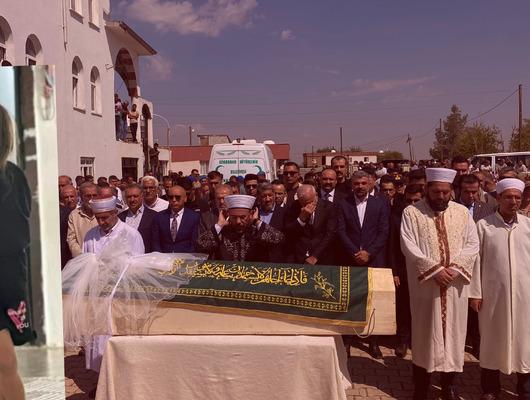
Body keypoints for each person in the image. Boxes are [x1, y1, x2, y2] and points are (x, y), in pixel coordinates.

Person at [400, 168, 479, 400]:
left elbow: (472, 245)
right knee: (426, 336)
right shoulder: (412, 213)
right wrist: (434, 270)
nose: (441, 197)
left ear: (451, 191)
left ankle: (449, 386)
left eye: (445, 192)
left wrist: (453, 270)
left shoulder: (463, 213)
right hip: (426, 288)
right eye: (436, 192)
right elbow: (408, 245)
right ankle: (421, 388)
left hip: (455, 286)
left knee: (454, 336)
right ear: (427, 190)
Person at [469, 178, 530, 399]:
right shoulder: (484, 226)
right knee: (492, 341)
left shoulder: (528, 226)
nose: (513, 201)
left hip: (525, 297)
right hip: (493, 296)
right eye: (508, 197)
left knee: (525, 341)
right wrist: (475, 293)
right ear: (499, 198)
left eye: (517, 197)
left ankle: (524, 388)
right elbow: (476, 262)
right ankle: (490, 389)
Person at [0, 104, 35, 400]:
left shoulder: (12, 176)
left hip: (5, 281)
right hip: (9, 280)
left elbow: (18, 236)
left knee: (5, 364)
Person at [337, 170, 390, 359]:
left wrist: (369, 253)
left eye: (363, 183)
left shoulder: (381, 203)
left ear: (370, 184)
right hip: (350, 260)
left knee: (373, 302)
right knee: (351, 301)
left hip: (373, 260)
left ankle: (373, 342)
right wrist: (355, 253)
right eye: (356, 183)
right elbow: (341, 231)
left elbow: (384, 231)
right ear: (351, 185)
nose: (360, 187)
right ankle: (348, 342)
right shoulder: (343, 203)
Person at [388, 183, 424, 358]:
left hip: (425, 270)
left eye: (416, 200)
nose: (412, 204)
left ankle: (418, 340)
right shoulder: (397, 218)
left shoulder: (429, 217)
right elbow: (392, 247)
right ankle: (402, 340)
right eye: (409, 200)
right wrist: (394, 272)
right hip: (403, 270)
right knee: (403, 306)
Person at [197, 194, 284, 261]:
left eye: (243, 217)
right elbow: (201, 246)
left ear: (251, 214)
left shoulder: (258, 231)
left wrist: (256, 221)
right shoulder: (222, 232)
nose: (238, 221)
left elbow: (278, 239)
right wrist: (219, 225)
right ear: (228, 215)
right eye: (234, 217)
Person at [284, 184, 337, 265]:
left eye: (310, 202)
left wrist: (315, 256)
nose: (307, 206)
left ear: (316, 195)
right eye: (303, 204)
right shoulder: (294, 206)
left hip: (321, 257)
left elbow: (330, 234)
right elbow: (289, 232)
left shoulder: (328, 207)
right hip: (299, 256)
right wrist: (301, 219)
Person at [152, 185, 199, 253]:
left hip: (185, 259)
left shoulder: (194, 217)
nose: (174, 200)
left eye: (177, 197)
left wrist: (188, 259)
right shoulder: (159, 217)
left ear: (185, 198)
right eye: (171, 197)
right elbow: (155, 241)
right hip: (164, 259)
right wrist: (160, 257)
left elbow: (194, 243)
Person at [118, 183, 157, 253]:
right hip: (124, 259)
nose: (132, 199)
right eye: (129, 197)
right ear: (125, 199)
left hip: (145, 259)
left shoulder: (154, 216)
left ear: (142, 196)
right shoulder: (120, 218)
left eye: (135, 196)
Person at [67, 182, 99, 257]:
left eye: (94, 195)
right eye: (88, 196)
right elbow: (71, 240)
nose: (91, 199)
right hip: (82, 260)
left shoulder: (104, 213)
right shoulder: (74, 215)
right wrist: (82, 257)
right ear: (81, 197)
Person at [60, 185, 78, 268]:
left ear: (77, 196)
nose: (70, 200)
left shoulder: (84, 212)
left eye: (72, 196)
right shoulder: (60, 215)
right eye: (66, 197)